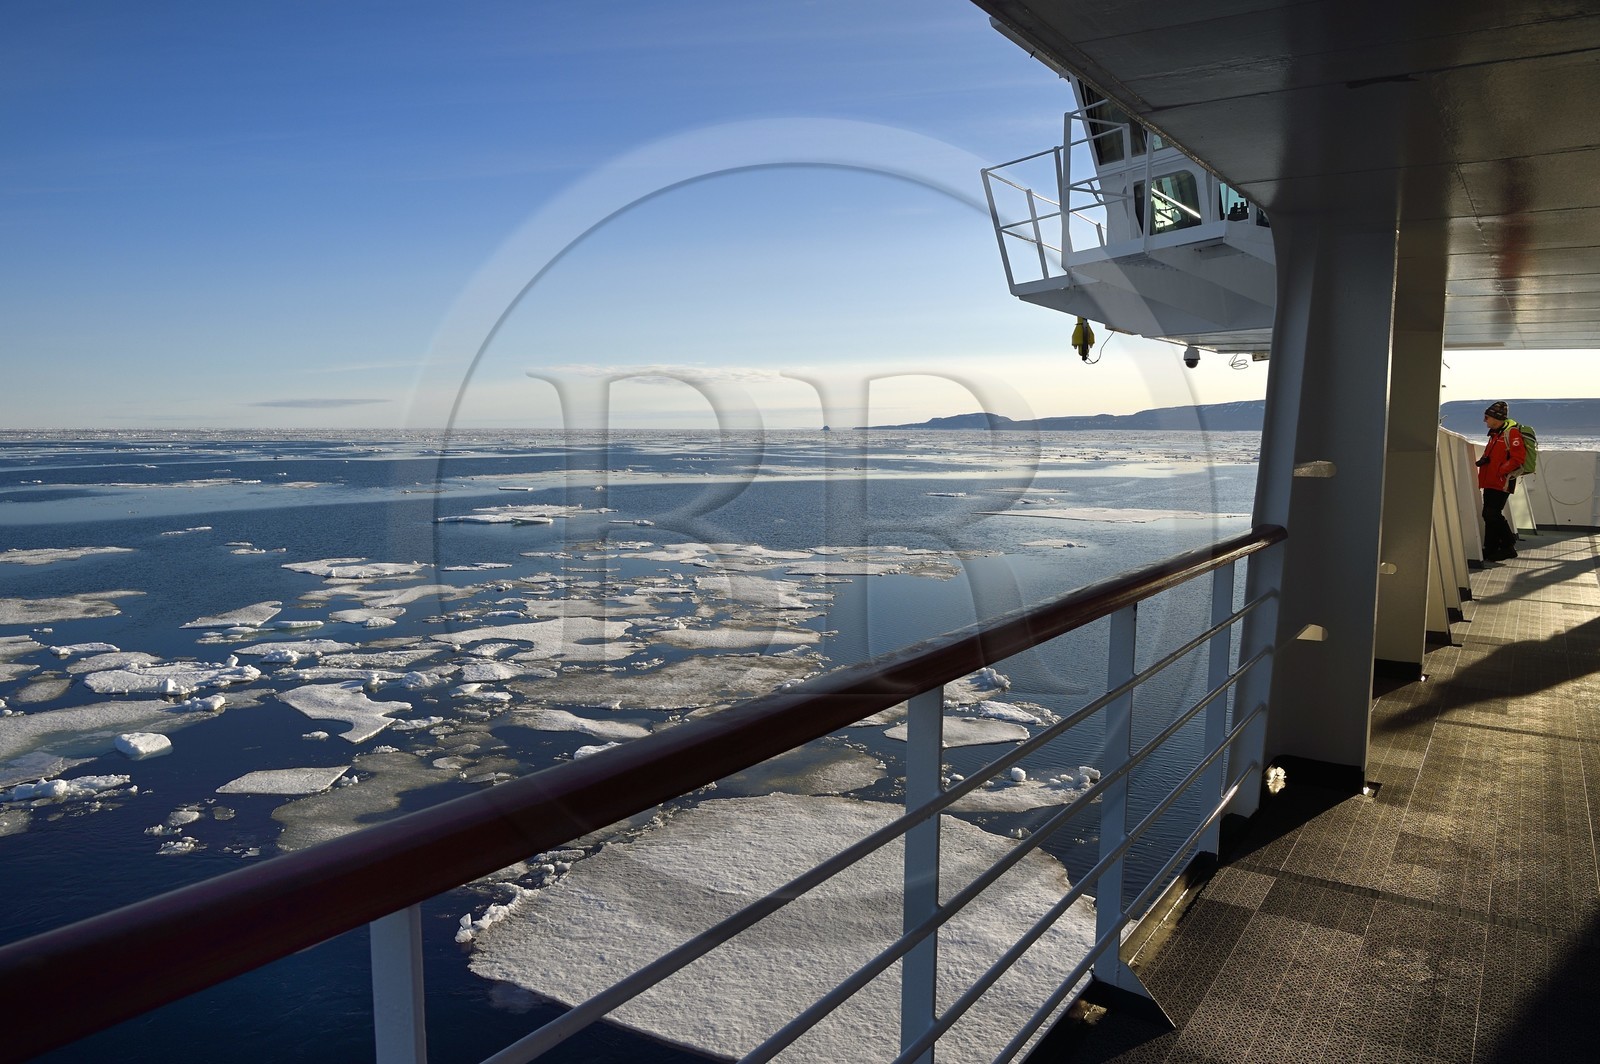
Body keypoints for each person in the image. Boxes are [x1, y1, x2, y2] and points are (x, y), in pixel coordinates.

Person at [1476, 400, 1527, 561]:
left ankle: (1508, 545)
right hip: (1491, 481)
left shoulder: (1511, 433)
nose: (1485, 420)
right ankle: (1490, 548)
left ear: (1496, 418)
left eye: (1487, 417)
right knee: (1488, 514)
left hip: (1502, 481)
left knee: (1492, 513)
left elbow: (1518, 458)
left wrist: (1501, 471)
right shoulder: (1495, 434)